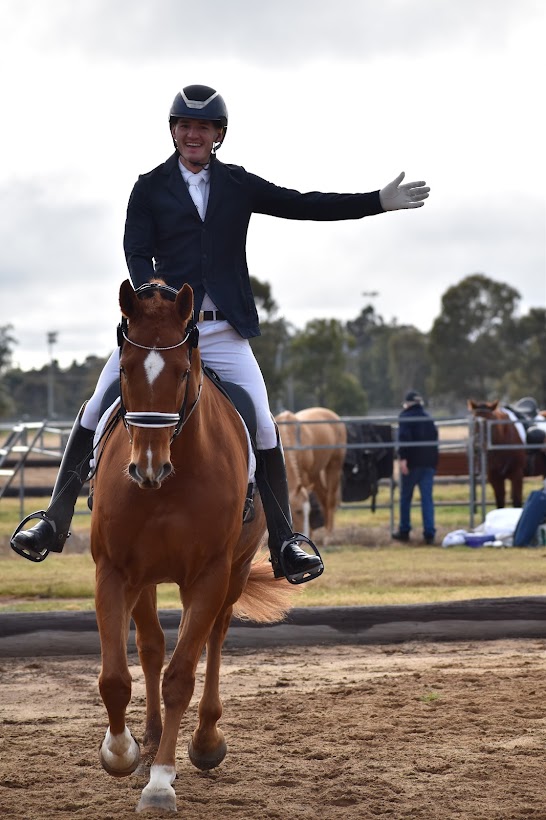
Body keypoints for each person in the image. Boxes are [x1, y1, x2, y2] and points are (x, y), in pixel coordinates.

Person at [11, 84, 430, 581]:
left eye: (204, 128)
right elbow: (136, 250)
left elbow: (302, 204)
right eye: (185, 126)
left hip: (223, 330)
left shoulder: (237, 183)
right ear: (173, 131)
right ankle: (53, 521)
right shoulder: (148, 187)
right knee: (97, 405)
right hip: (164, 329)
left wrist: (377, 201)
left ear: (218, 135)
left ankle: (285, 540)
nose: (193, 134)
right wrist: (152, 299)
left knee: (263, 424)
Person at [392, 390, 439, 545]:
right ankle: (429, 533)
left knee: (406, 498)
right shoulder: (428, 418)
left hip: (411, 465)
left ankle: (404, 530)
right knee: (427, 499)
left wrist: (403, 459)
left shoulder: (405, 417)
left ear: (407, 404)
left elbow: (404, 438)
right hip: (428, 464)